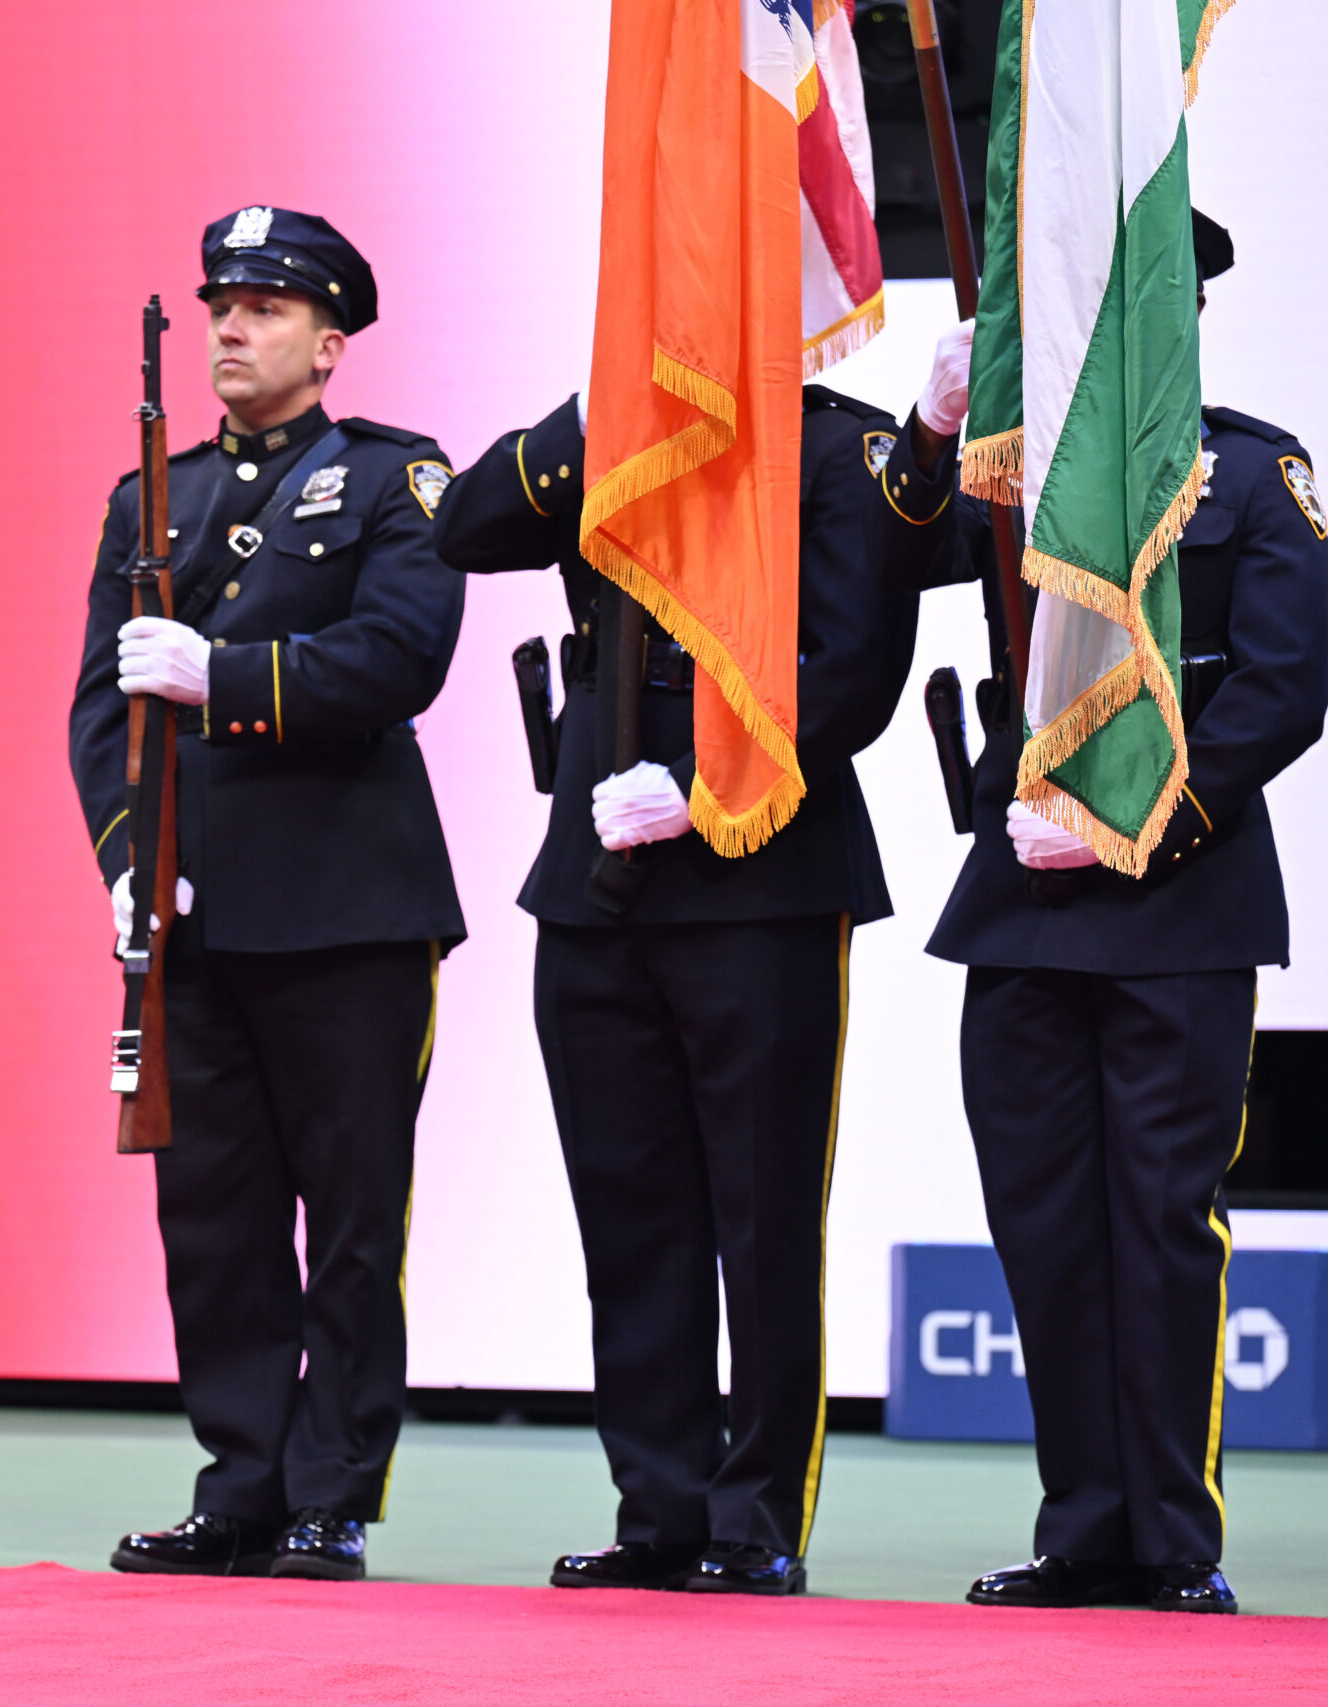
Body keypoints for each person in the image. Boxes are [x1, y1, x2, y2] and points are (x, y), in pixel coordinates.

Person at [431, 379, 944, 1594]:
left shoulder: (832, 442)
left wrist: (711, 783)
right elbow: (465, 527)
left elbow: (855, 667)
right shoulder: (618, 423)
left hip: (756, 869)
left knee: (760, 1216)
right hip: (594, 871)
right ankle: (657, 1506)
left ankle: (755, 1516)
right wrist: (604, 407)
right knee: (629, 1214)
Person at [888, 212, 1328, 1616]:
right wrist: (931, 419)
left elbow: (1281, 687)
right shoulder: (1020, 475)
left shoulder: (1257, 473)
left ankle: (1171, 1538)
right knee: (1045, 1226)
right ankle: (1082, 1526)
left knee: (1159, 1222)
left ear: (1187, 312)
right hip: (1020, 901)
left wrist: (1141, 817)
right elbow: (893, 557)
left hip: (1181, 907)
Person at [68, 207, 466, 1582]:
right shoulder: (152, 496)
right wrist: (134, 856)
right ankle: (240, 1479)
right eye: (221, 305)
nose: (232, 328)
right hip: (196, 912)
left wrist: (224, 679)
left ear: (330, 341)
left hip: (348, 904)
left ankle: (329, 1489)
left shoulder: (392, 478)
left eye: (266, 308)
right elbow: (93, 708)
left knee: (351, 1214)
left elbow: (400, 657)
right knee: (216, 1215)